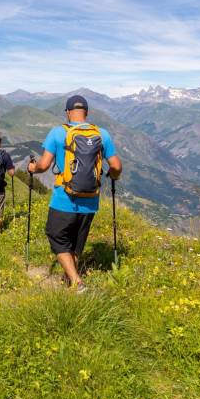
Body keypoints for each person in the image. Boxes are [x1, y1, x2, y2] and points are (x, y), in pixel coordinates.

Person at [27, 95, 122, 293]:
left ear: (68, 112)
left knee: (56, 235)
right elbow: (116, 166)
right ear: (86, 113)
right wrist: (112, 175)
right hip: (90, 199)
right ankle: (70, 279)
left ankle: (77, 282)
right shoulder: (101, 134)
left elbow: (43, 166)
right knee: (76, 244)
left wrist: (32, 167)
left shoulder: (57, 133)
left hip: (64, 199)